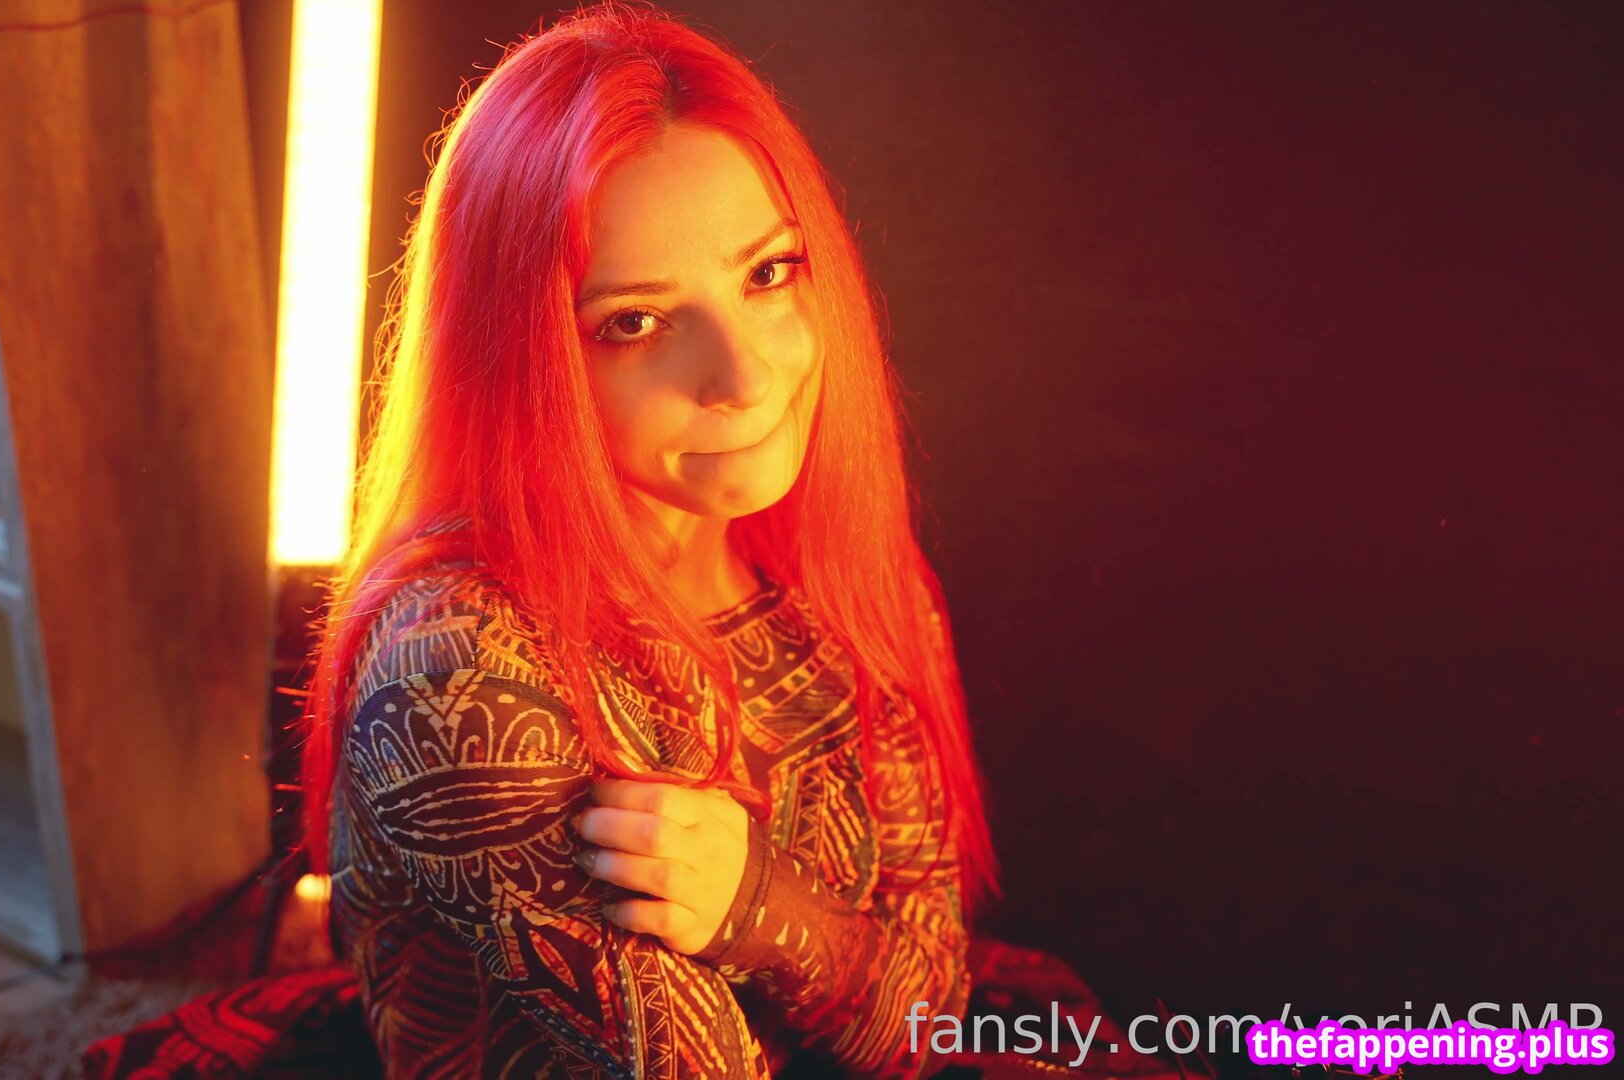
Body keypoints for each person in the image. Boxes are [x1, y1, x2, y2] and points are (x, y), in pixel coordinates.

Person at [301, 5, 1184, 1078]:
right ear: (520, 361)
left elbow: (928, 1018)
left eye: (768, 274)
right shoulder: (459, 672)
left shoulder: (855, 585)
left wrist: (755, 903)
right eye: (635, 322)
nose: (747, 376)